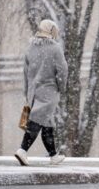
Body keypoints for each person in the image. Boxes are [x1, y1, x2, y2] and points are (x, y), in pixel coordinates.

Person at [14, 19, 68, 166]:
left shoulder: (31, 48)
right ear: (51, 31)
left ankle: (53, 155)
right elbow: (63, 70)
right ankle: (22, 150)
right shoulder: (55, 48)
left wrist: (27, 92)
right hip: (48, 91)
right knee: (37, 121)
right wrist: (61, 87)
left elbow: (25, 72)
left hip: (33, 91)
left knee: (46, 122)